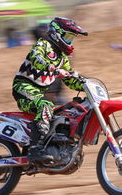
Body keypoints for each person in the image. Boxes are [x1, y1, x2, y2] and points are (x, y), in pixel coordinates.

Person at [12, 17, 88, 162]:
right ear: (57, 33)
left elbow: (70, 80)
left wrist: (86, 84)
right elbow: (36, 58)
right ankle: (36, 149)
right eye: (68, 36)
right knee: (45, 105)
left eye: (72, 37)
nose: (70, 40)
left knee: (66, 112)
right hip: (23, 87)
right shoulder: (43, 44)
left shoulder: (63, 57)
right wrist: (52, 68)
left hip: (40, 92)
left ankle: (57, 146)